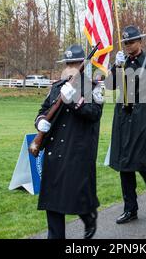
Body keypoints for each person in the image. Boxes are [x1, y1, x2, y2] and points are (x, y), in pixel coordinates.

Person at [34, 44, 103, 239]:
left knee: (77, 195)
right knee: (53, 201)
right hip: (55, 150)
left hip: (78, 150)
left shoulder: (92, 87)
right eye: (68, 63)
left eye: (75, 63)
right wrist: (41, 124)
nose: (70, 66)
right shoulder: (57, 87)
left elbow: (94, 114)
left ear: (83, 64)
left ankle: (88, 217)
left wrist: (73, 101)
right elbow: (42, 111)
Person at [105, 25, 146, 224]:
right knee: (125, 164)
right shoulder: (122, 63)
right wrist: (116, 66)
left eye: (131, 42)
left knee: (142, 161)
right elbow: (109, 86)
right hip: (123, 118)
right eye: (125, 43)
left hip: (143, 117)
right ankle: (130, 208)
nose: (128, 46)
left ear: (140, 42)